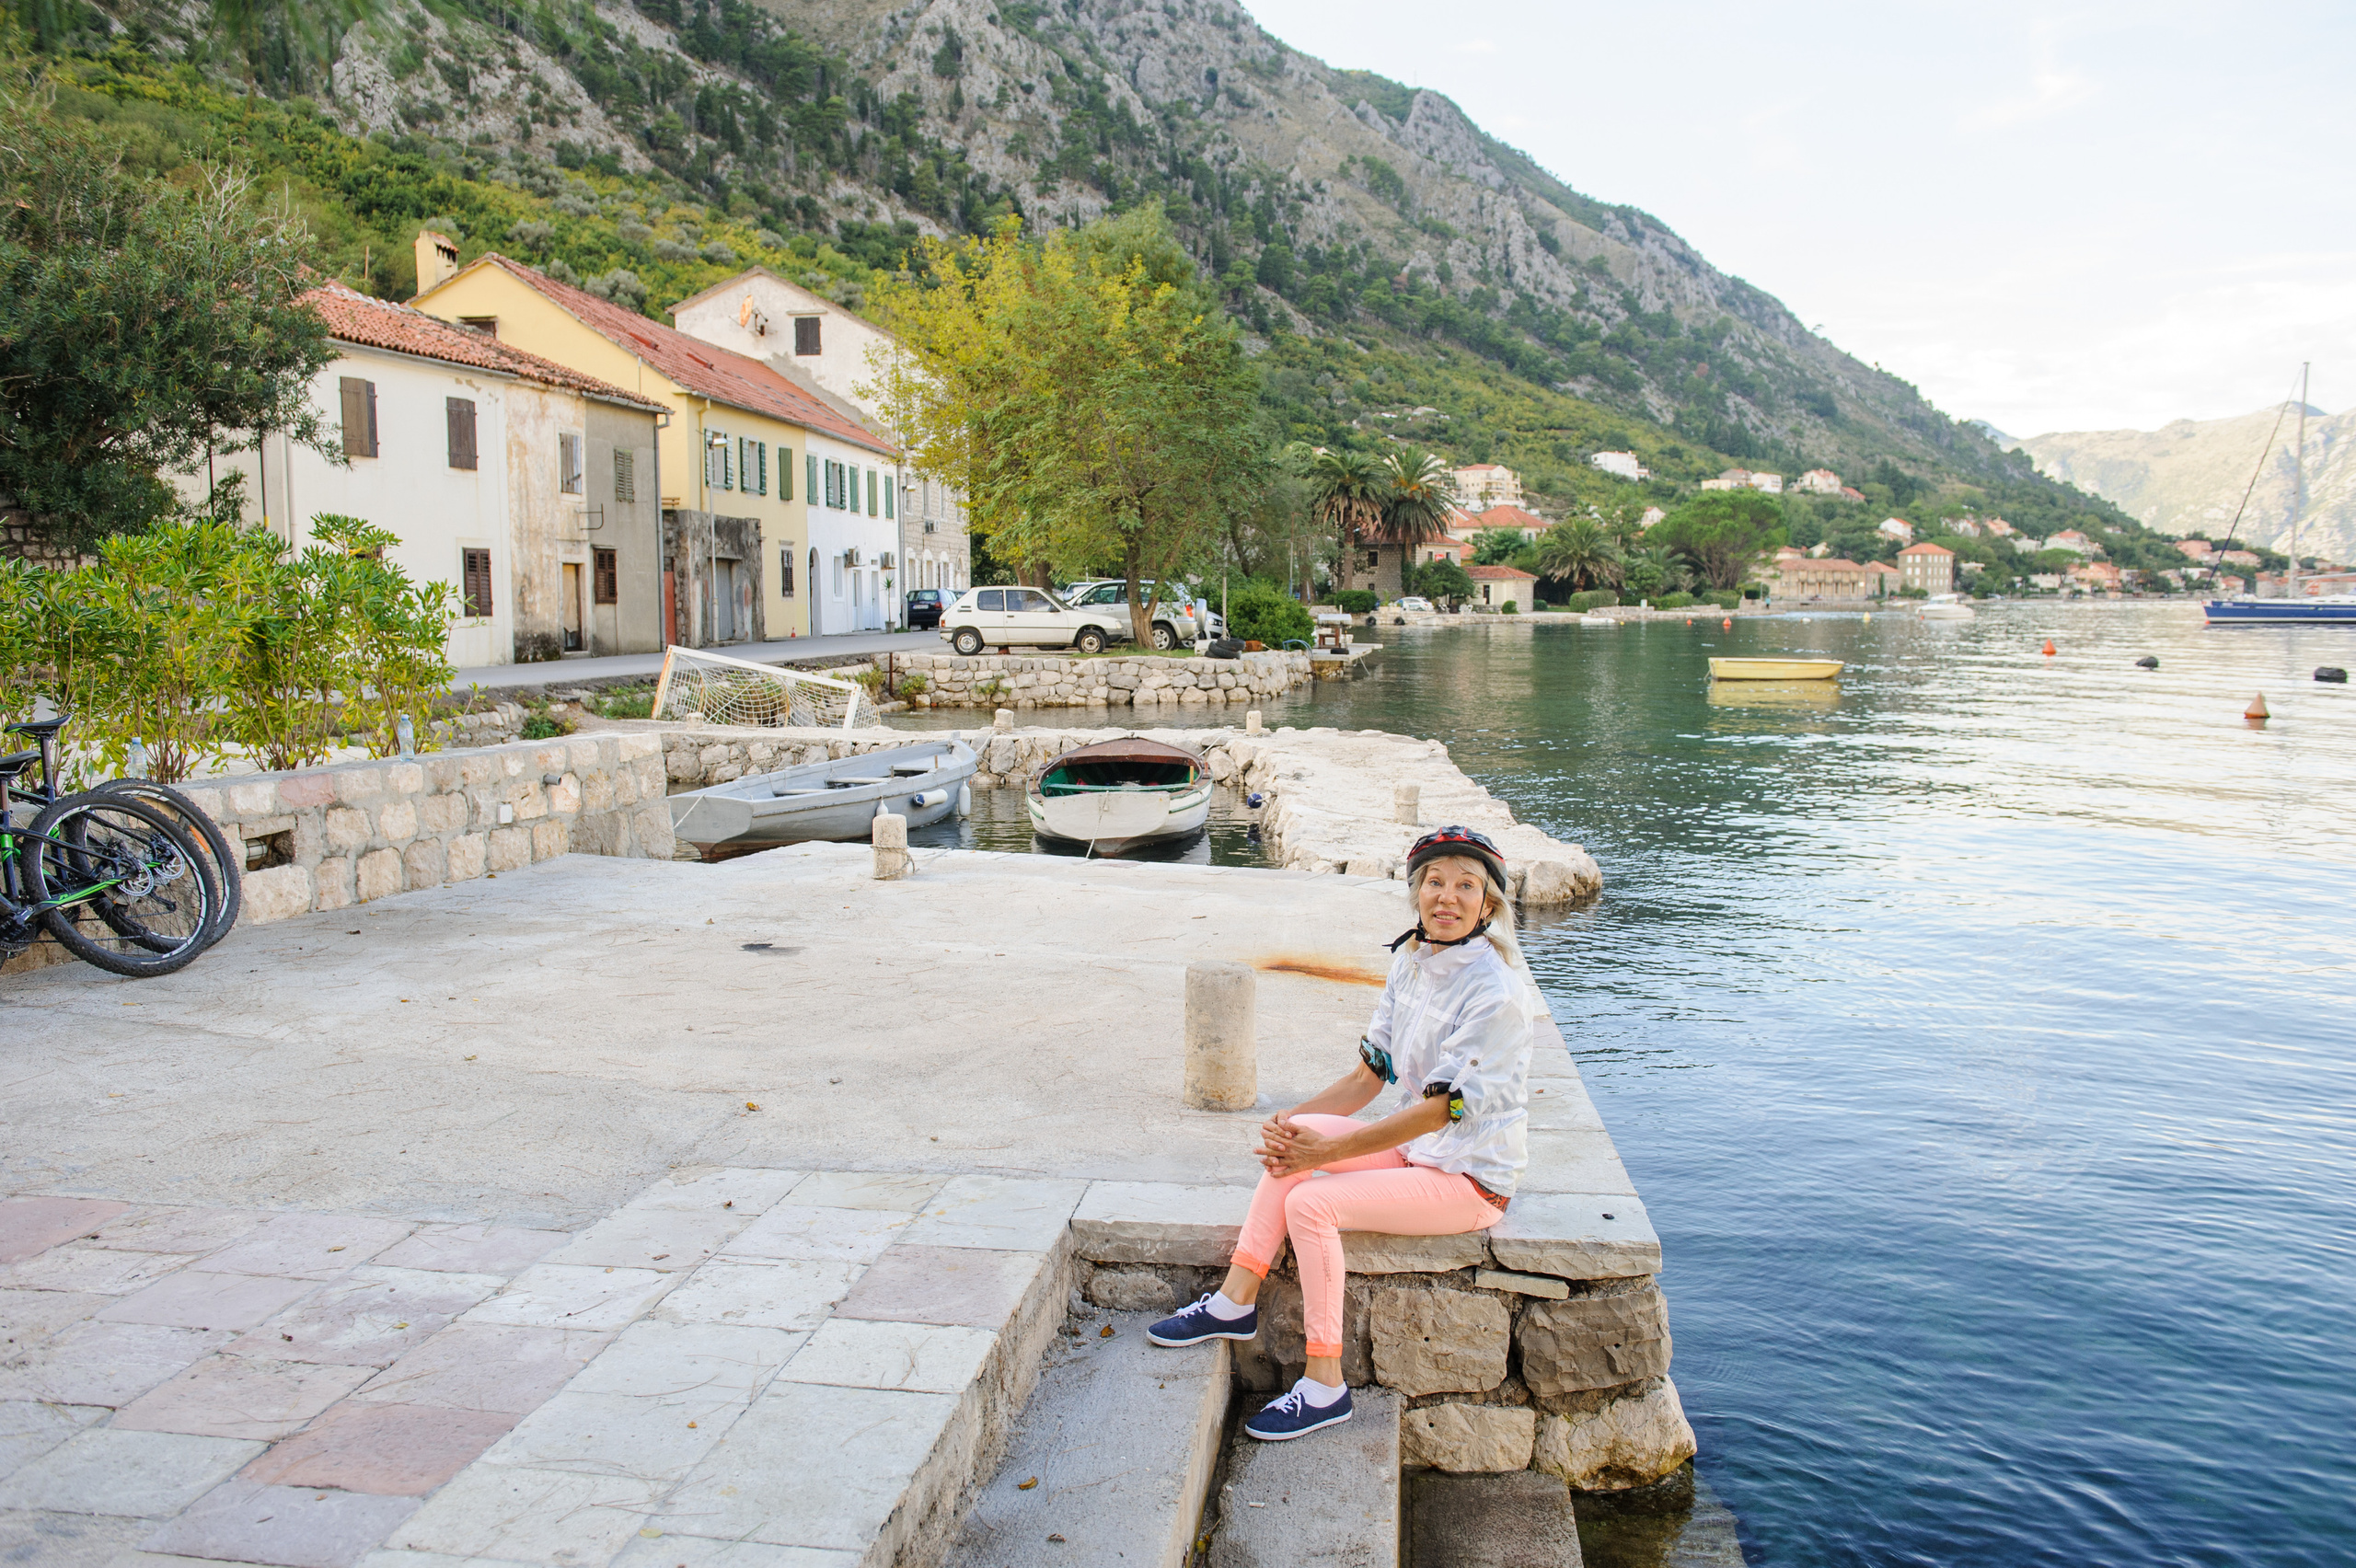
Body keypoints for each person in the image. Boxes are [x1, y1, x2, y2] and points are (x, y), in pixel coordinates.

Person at [1149, 825, 1538, 1440]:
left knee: (1312, 1203)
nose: (1447, 896)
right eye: (1435, 882)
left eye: (1467, 885)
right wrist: (1292, 1123)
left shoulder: (1495, 993)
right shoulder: (1412, 961)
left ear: (1488, 905)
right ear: (1416, 894)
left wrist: (1331, 1150)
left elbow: (1445, 1111)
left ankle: (1326, 1383)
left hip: (1466, 1179)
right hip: (1415, 1154)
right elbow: (1368, 1077)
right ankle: (1234, 1302)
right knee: (1294, 1142)